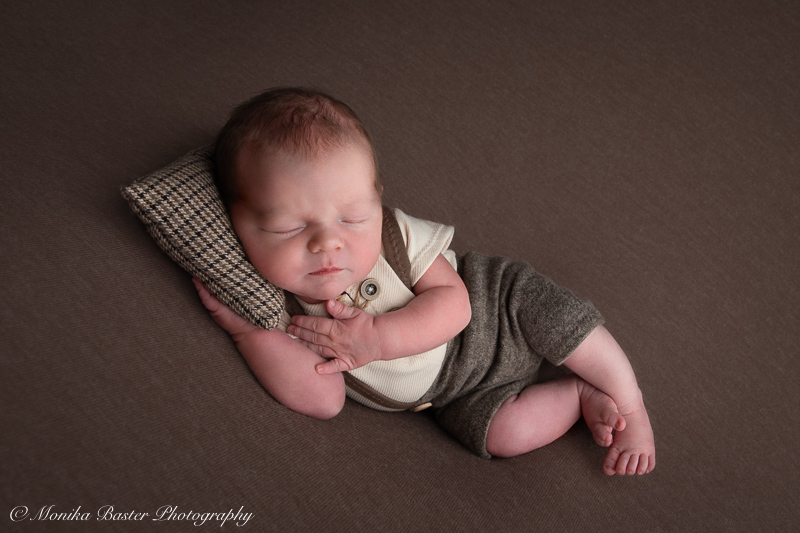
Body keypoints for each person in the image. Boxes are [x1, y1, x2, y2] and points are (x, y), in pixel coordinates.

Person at [194, 87, 655, 475]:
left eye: (353, 218)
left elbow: (455, 305)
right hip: (457, 395)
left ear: (376, 202)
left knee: (557, 319)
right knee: (503, 437)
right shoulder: (280, 310)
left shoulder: (394, 236)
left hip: (495, 312)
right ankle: (577, 393)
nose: (327, 243)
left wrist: (378, 339)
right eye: (288, 228)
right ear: (235, 225)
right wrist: (250, 333)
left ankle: (630, 405)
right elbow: (324, 400)